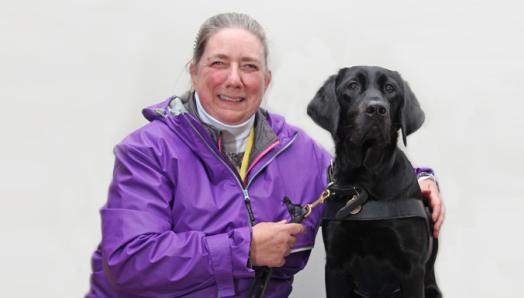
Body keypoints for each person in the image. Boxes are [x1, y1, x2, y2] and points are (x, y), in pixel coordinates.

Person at [86, 12, 444, 298]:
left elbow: (356, 174)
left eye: (249, 66)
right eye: (218, 63)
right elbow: (126, 263)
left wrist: (421, 179)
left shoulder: (300, 155)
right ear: (193, 73)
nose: (234, 79)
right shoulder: (146, 152)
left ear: (266, 80)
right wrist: (244, 250)